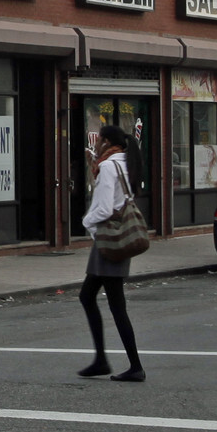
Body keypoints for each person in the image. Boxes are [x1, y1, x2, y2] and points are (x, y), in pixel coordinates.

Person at [78, 125, 141, 381]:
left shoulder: (108, 167)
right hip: (118, 237)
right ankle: (102, 359)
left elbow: (103, 209)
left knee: (116, 304)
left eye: (99, 141)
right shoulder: (126, 163)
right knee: (88, 295)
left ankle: (134, 366)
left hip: (108, 238)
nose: (96, 145)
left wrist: (85, 221)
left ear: (105, 141)